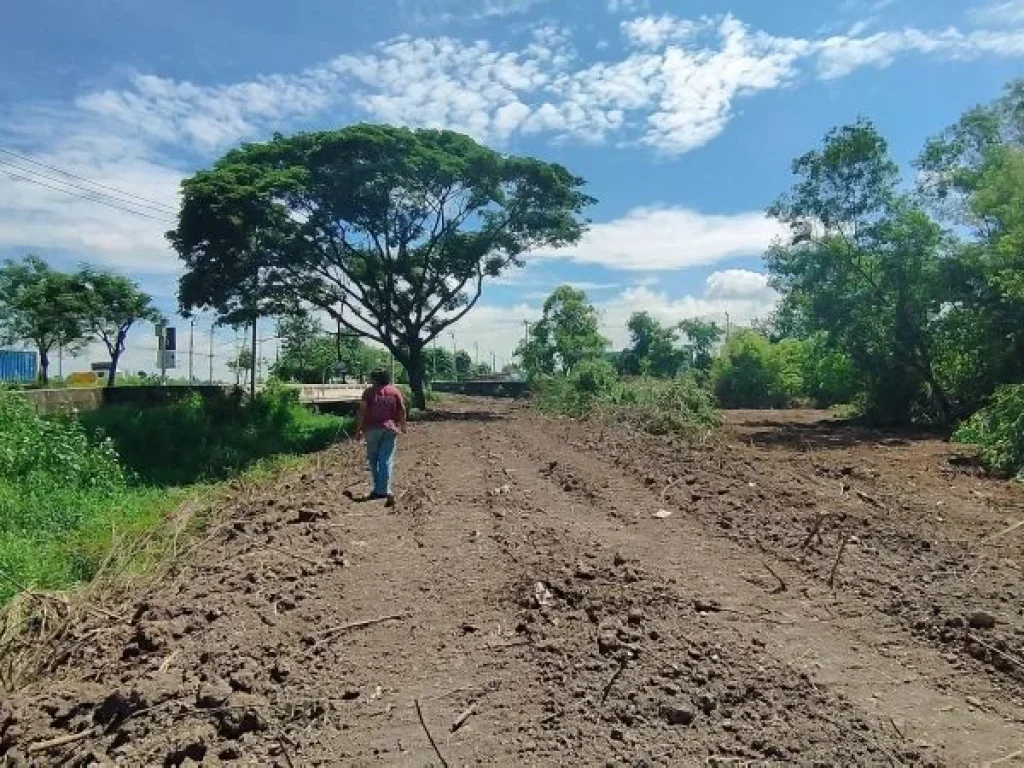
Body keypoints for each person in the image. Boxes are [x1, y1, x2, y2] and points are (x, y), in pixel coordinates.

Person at [355, 367, 406, 505]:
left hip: (371, 429)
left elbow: (362, 412)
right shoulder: (395, 391)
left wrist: (358, 430)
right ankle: (382, 489)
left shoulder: (368, 392)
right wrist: (403, 426)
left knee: (374, 459)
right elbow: (402, 410)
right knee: (386, 459)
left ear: (375, 379)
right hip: (390, 429)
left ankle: (380, 490)